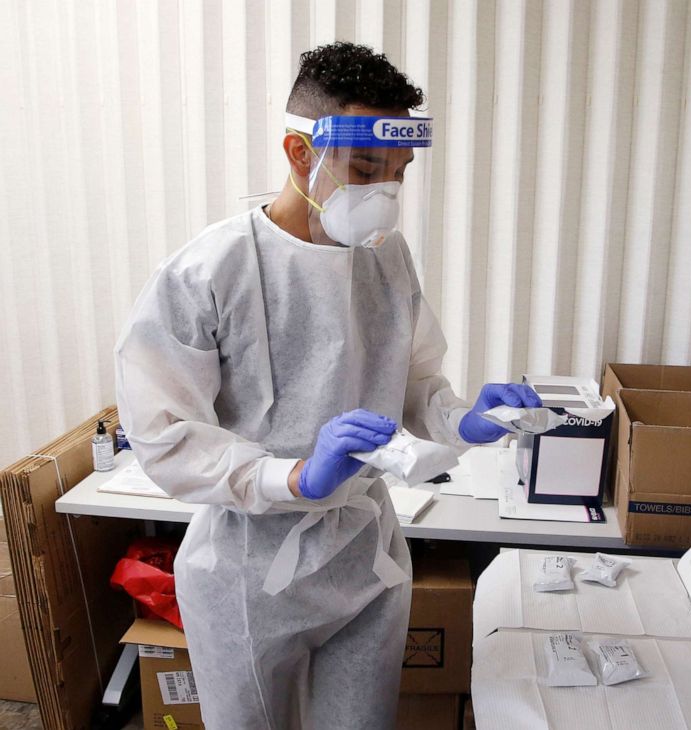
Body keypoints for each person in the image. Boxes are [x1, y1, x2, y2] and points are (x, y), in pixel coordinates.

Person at [115, 42, 541, 729]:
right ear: (298, 151)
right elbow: (164, 436)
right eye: (366, 168)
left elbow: (416, 380)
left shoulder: (385, 258)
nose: (384, 195)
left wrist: (464, 421)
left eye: (398, 174)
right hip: (249, 573)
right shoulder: (209, 273)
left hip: (362, 560)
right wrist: (297, 477)